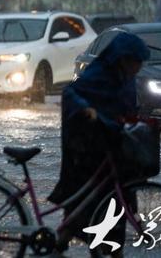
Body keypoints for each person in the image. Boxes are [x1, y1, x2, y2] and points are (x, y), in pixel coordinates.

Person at [48, 31, 150, 254]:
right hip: (89, 146)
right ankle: (71, 241)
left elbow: (127, 109)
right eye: (136, 62)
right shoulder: (98, 75)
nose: (138, 68)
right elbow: (71, 95)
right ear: (123, 59)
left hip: (113, 145)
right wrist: (88, 111)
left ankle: (105, 247)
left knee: (115, 199)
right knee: (88, 198)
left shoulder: (126, 80)